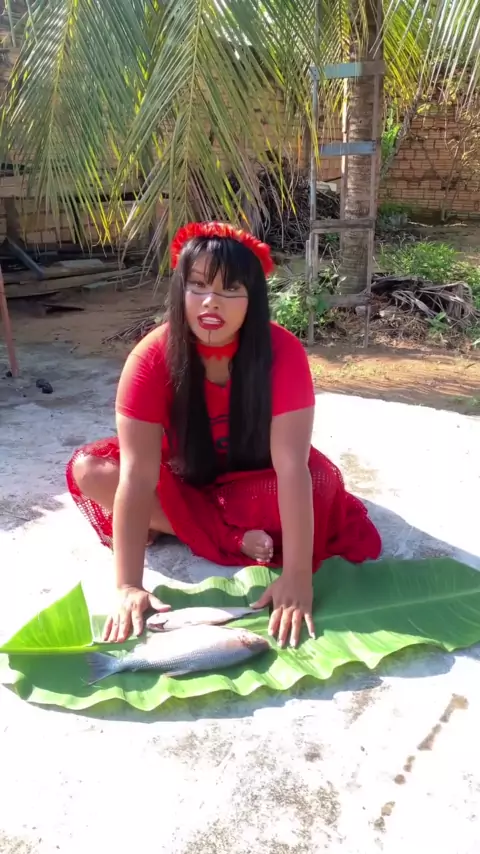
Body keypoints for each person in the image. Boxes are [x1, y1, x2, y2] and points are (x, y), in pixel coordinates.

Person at [66, 221, 381, 649]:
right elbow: (138, 477)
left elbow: (292, 468)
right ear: (180, 290)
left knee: (320, 486)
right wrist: (127, 586)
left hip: (254, 480)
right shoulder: (150, 357)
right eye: (198, 285)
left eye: (231, 289)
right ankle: (227, 535)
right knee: (90, 471)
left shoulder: (283, 352)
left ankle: (181, 525)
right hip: (182, 477)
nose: (211, 301)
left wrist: (297, 576)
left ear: (254, 298)